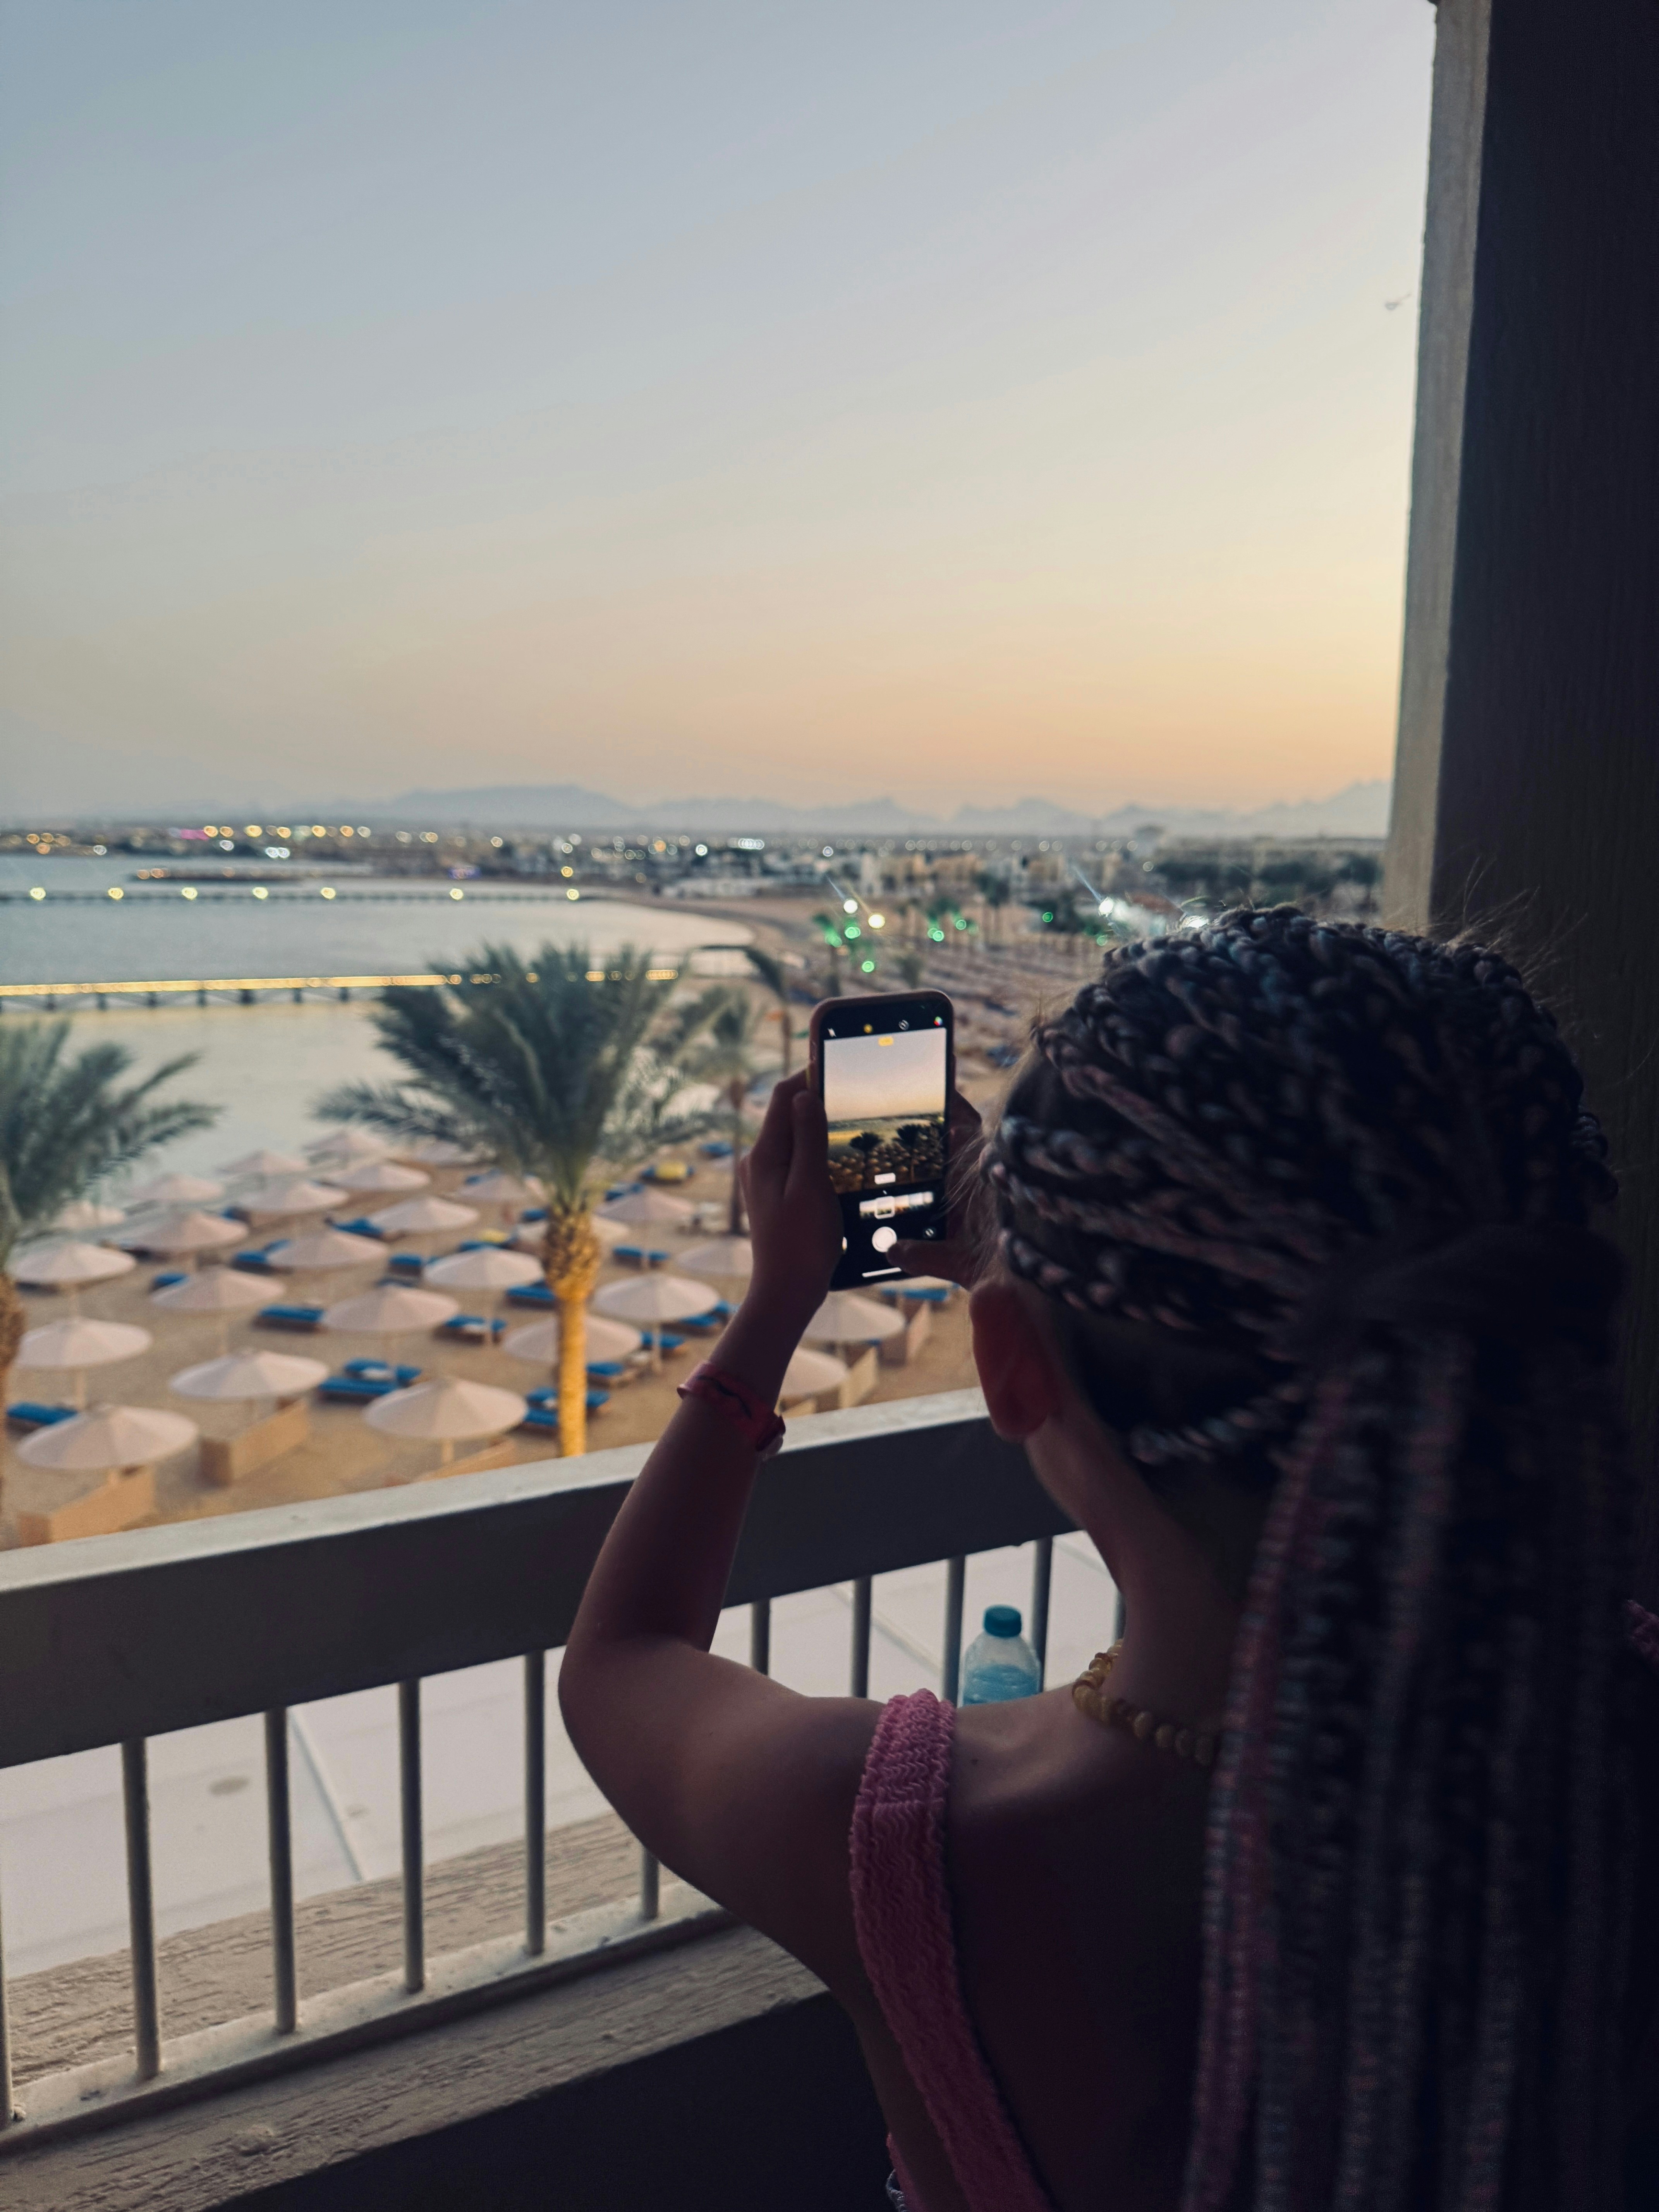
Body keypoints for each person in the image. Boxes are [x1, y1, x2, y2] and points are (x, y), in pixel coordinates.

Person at [560, 909, 1659, 2212]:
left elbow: (622, 1660)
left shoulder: (908, 1843)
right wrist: (1049, 1296)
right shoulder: (1609, 1720)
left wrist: (778, 1300)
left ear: (1007, 1366)